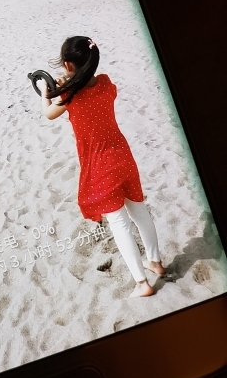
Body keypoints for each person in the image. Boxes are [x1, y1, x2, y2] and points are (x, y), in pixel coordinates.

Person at [40, 35, 165, 297]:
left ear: (68, 65)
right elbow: (90, 86)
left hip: (99, 164)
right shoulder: (107, 84)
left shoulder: (69, 95)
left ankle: (142, 284)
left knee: (119, 223)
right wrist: (69, 83)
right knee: (139, 211)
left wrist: (45, 92)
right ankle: (155, 261)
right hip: (123, 156)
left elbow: (49, 113)